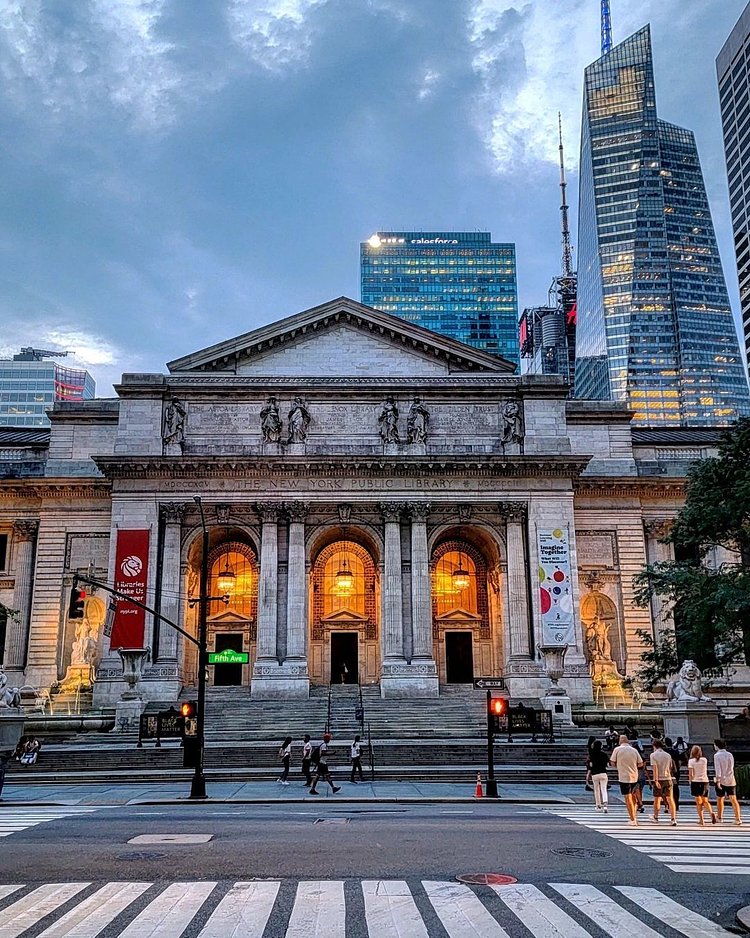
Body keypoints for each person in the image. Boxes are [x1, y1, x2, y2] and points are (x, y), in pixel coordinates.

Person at [610, 733, 644, 826]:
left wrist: (619, 766)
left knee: (627, 797)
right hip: (634, 776)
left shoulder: (617, 749)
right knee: (633, 797)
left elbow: (612, 762)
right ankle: (634, 816)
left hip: (624, 776)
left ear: (620, 741)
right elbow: (640, 763)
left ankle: (632, 818)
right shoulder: (634, 750)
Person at [713, 739, 743, 825]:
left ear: (717, 746)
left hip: (721, 779)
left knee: (720, 798)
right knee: (733, 799)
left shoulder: (717, 755)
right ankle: (738, 818)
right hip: (730, 779)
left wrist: (718, 780)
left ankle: (720, 817)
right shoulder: (730, 754)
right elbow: (731, 767)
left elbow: (718, 769)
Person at [649, 738, 677, 826]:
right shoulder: (668, 755)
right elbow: (670, 767)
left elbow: (655, 769)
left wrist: (655, 780)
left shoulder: (653, 755)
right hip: (668, 778)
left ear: (654, 746)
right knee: (670, 799)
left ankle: (656, 817)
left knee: (657, 799)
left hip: (659, 779)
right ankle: (673, 818)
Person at [688, 744, 717, 826]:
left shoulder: (691, 761)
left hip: (695, 781)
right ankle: (711, 812)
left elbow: (691, 773)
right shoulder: (704, 760)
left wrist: (690, 780)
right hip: (705, 781)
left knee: (698, 802)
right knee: (705, 801)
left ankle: (702, 820)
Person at [588, 740, 610, 812]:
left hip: (595, 774)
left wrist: (589, 774)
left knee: (596, 790)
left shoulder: (592, 755)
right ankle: (605, 805)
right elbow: (608, 765)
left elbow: (590, 765)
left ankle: (598, 805)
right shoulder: (604, 754)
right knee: (604, 789)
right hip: (603, 773)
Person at [663, 736, 682, 813]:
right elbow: (679, 761)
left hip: (666, 772)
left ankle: (667, 805)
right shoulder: (676, 751)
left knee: (666, 788)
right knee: (675, 787)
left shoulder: (665, 752)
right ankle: (676, 804)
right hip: (675, 772)